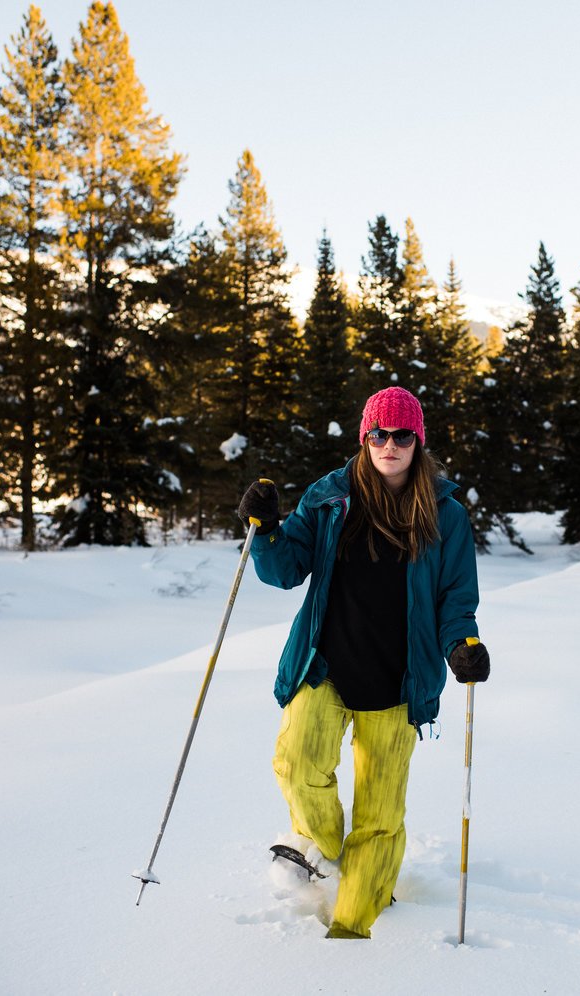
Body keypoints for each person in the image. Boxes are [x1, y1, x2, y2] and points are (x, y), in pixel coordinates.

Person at [238, 385, 490, 940]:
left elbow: (456, 600)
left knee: (378, 818)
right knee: (297, 764)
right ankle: (325, 850)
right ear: (365, 437)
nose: (390, 445)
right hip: (325, 666)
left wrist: (461, 646)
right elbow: (285, 569)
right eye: (380, 433)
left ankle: (354, 933)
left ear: (417, 441)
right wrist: (268, 529)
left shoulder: (445, 515)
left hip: (398, 682)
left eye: (403, 435)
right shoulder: (330, 499)